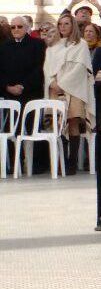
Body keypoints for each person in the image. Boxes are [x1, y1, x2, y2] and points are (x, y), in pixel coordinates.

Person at [43, 13, 94, 175]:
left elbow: (80, 68)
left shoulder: (81, 45)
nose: (63, 27)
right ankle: (60, 160)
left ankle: (72, 163)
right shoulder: (53, 46)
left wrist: (63, 84)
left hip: (74, 88)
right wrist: (52, 82)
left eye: (66, 24)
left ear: (72, 25)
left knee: (72, 122)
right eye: (60, 24)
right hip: (55, 88)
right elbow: (47, 68)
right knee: (57, 124)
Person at [0, 16, 46, 174]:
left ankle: (38, 165)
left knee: (34, 128)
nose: (16, 30)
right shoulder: (4, 47)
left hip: (31, 93)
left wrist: (23, 86)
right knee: (11, 130)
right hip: (10, 95)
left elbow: (39, 69)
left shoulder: (38, 45)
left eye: (19, 26)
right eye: (13, 27)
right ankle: (14, 164)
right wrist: (7, 87)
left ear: (27, 28)